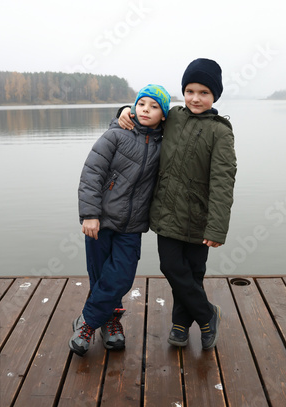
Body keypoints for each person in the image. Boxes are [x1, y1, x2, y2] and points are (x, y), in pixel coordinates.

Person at [119, 58, 237, 350]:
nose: (196, 98)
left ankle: (180, 325)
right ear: (183, 92)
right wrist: (123, 111)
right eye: (190, 91)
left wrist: (217, 226)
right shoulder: (173, 117)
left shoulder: (221, 132)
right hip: (166, 214)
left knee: (194, 272)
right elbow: (147, 115)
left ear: (215, 96)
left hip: (200, 219)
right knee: (172, 267)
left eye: (204, 93)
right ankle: (207, 314)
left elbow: (223, 181)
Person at [69, 84, 171, 356]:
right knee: (100, 275)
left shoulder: (166, 142)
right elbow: (92, 173)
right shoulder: (116, 134)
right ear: (133, 107)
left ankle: (87, 321)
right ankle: (110, 322)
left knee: (122, 276)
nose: (146, 110)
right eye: (141, 104)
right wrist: (90, 213)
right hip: (100, 221)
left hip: (133, 225)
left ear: (164, 115)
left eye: (154, 106)